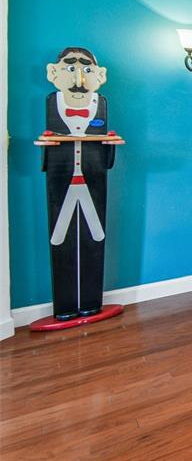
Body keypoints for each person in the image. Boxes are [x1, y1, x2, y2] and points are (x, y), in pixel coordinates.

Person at [41, 46, 117, 321]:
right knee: (60, 239)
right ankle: (64, 306)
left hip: (93, 183)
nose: (79, 80)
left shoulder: (102, 105)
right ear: (54, 72)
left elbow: (107, 153)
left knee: (94, 238)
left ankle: (90, 302)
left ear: (99, 75)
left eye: (86, 70)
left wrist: (109, 144)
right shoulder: (53, 104)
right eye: (71, 69)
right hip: (61, 183)